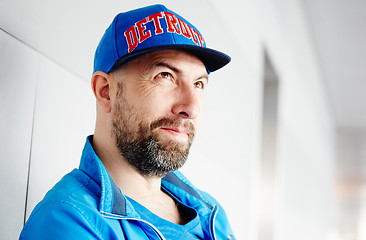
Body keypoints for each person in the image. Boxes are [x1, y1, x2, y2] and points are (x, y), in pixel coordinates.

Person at [20, 4, 234, 240]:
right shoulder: (68, 220)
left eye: (198, 84)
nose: (191, 108)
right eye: (165, 76)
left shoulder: (211, 215)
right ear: (105, 91)